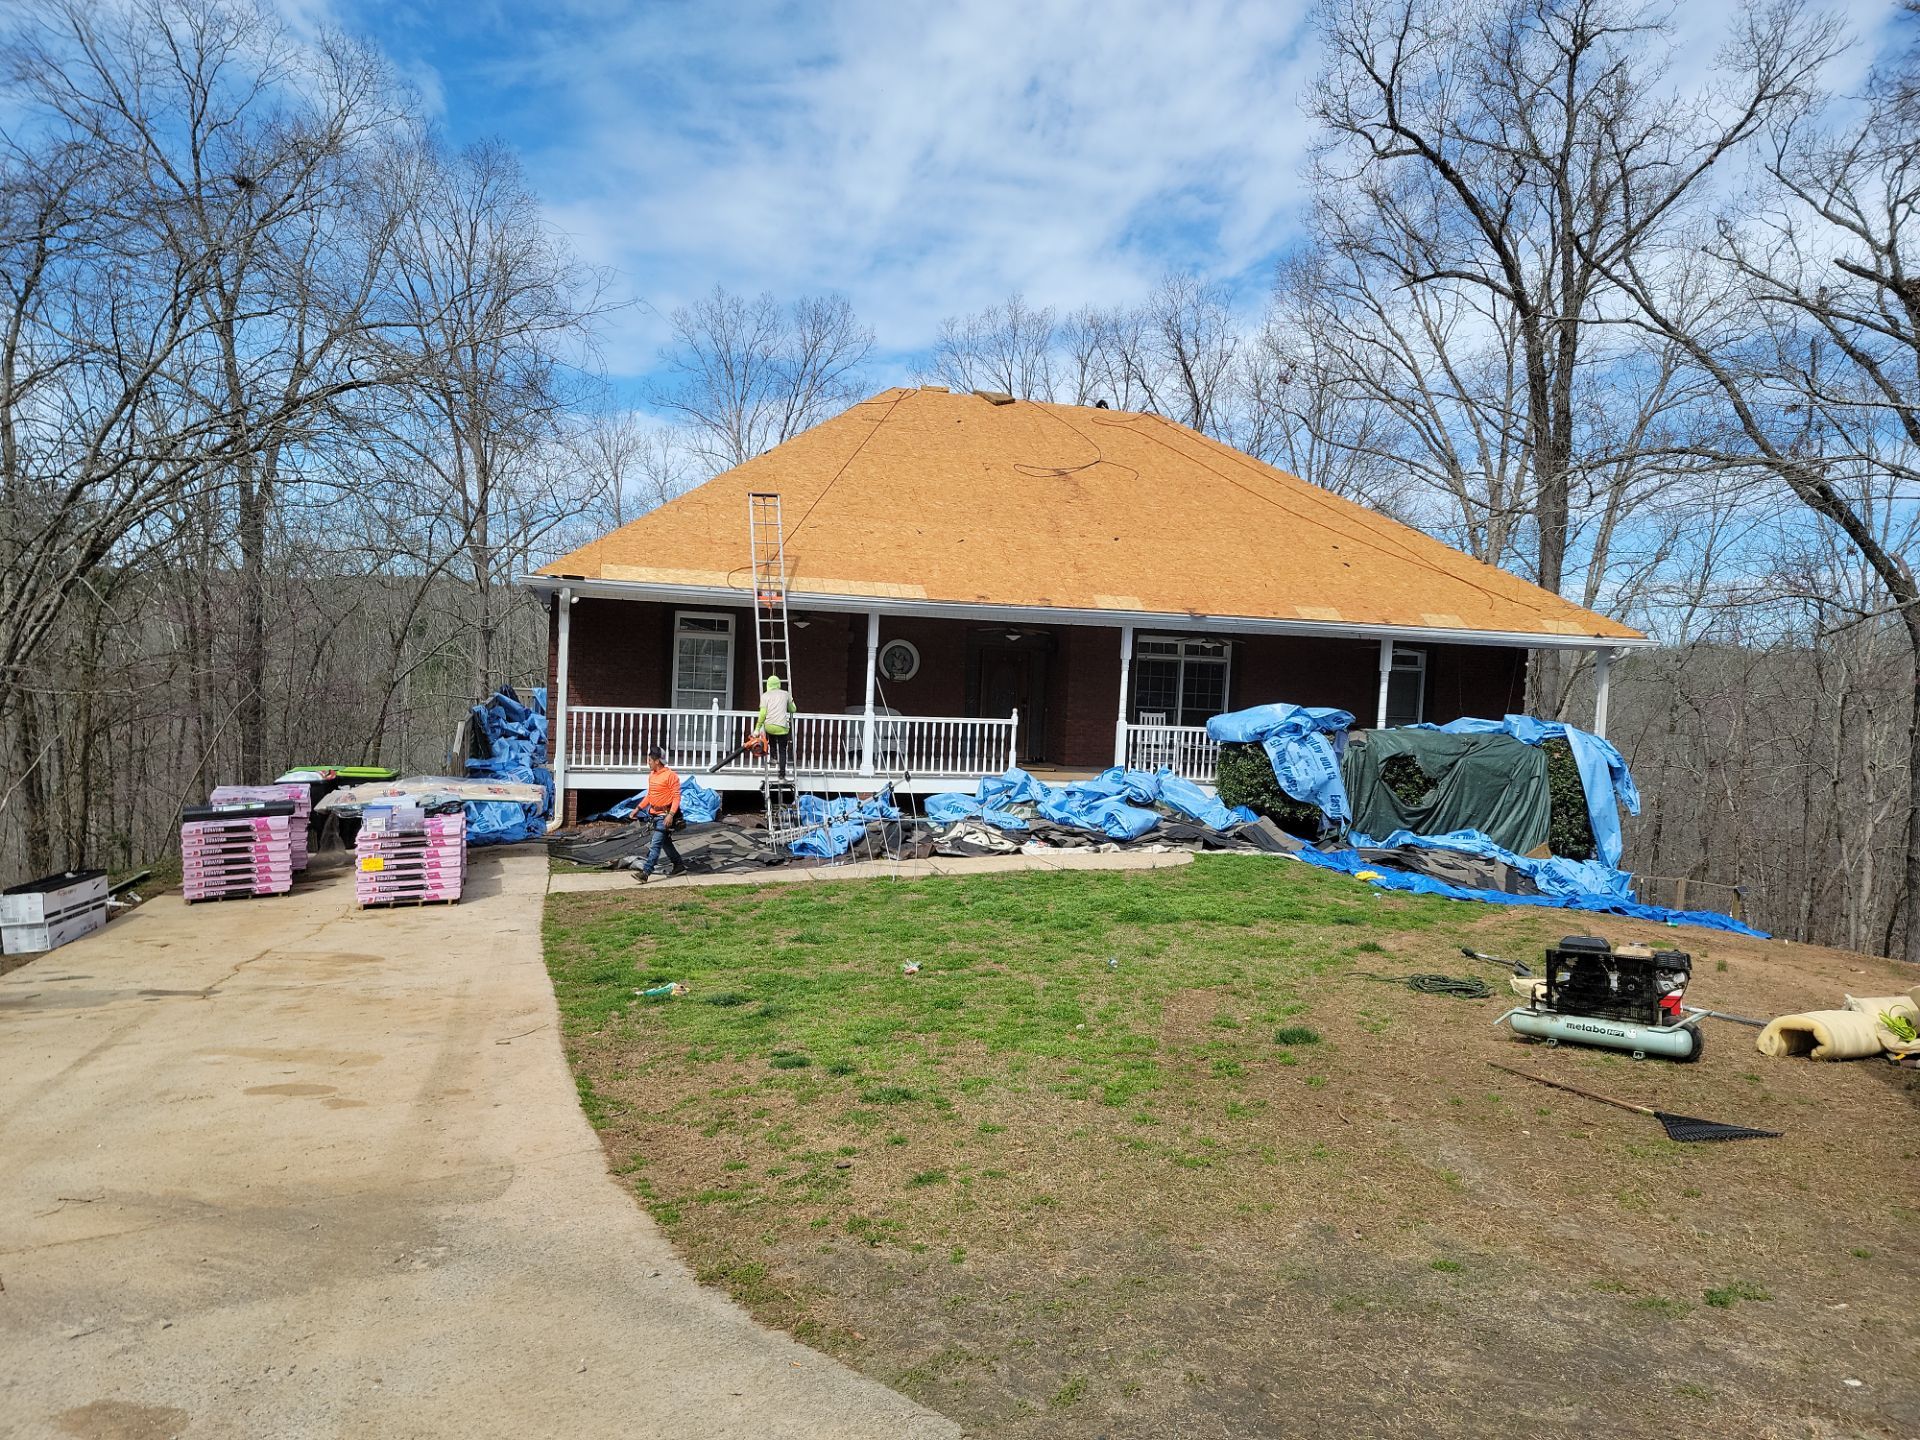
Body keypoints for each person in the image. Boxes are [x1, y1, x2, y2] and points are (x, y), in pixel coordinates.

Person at [634, 745, 683, 883]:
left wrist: (671, 815)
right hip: (654, 815)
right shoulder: (652, 775)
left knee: (655, 844)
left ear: (656, 761)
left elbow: (676, 797)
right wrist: (638, 808)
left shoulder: (671, 776)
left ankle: (646, 872)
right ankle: (679, 865)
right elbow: (650, 796)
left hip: (665, 815)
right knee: (665, 843)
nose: (647, 762)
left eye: (649, 760)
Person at [757, 674, 796, 780]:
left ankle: (773, 756)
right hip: (782, 727)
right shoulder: (786, 694)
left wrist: (757, 728)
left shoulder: (765, 696)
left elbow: (762, 714)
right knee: (783, 750)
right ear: (779, 684)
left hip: (769, 726)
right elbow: (793, 709)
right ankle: (782, 775)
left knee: (772, 739)